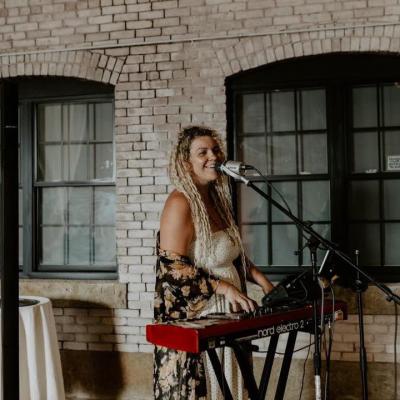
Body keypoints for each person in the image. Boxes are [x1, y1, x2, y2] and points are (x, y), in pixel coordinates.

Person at [153, 126, 274, 400]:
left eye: (215, 150)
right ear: (187, 163)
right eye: (202, 152)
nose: (213, 156)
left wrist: (267, 284)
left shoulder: (217, 199)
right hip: (201, 315)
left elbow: (234, 256)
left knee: (234, 387)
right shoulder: (179, 203)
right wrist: (226, 289)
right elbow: (172, 269)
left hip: (229, 313)